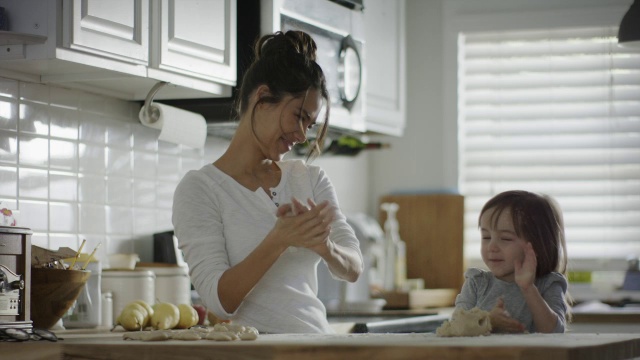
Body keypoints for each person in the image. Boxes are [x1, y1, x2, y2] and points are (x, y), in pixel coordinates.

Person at [172, 30, 363, 334]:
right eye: (298, 117)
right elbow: (220, 301)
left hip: (317, 347)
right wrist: (279, 239)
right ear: (262, 98)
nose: (302, 136)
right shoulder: (200, 189)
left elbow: (353, 268)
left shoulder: (310, 179)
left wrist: (326, 246)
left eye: (309, 125)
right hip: (250, 352)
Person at [455, 190, 570, 333]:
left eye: (505, 238)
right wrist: (488, 320)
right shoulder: (476, 283)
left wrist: (528, 288)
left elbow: (555, 333)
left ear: (537, 246)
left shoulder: (548, 284)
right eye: (486, 237)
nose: (492, 247)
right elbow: (455, 327)